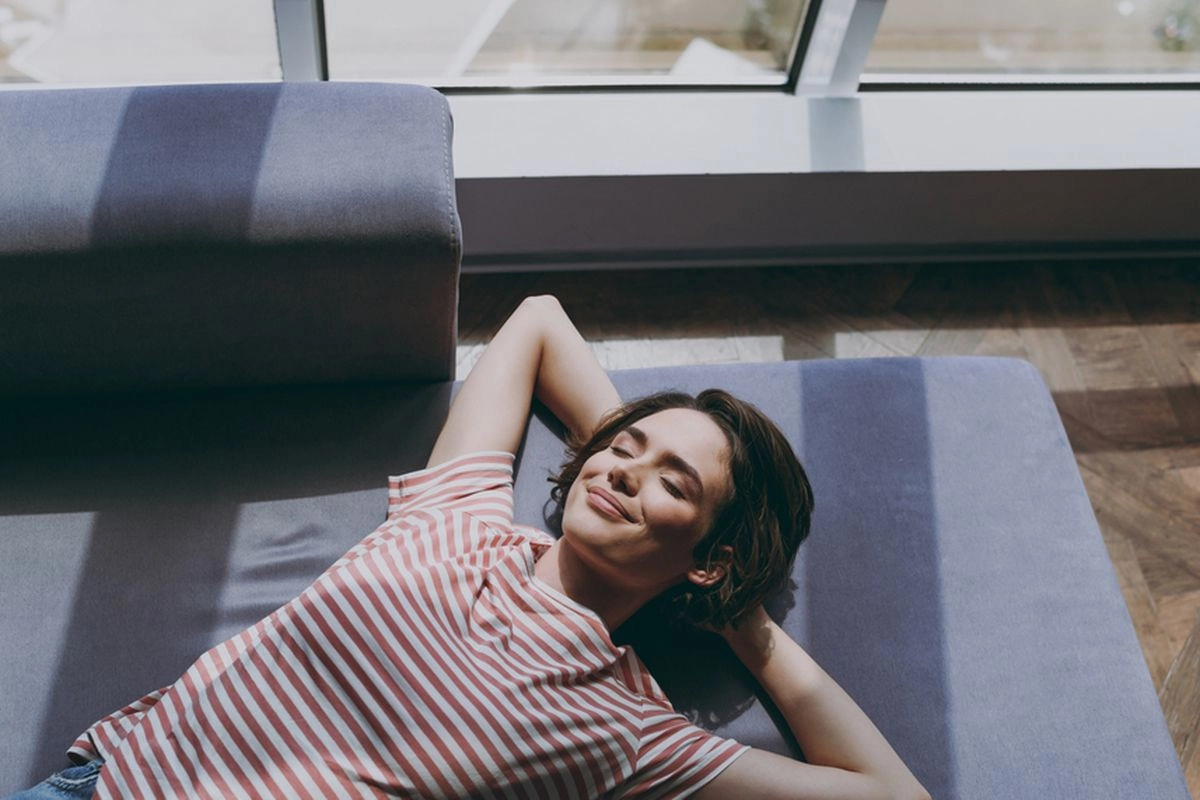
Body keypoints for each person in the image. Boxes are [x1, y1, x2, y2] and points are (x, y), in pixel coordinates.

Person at [11, 295, 929, 800]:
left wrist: (742, 619)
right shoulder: (461, 517)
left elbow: (892, 797)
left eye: (673, 483)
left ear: (710, 557)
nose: (622, 471)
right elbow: (538, 321)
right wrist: (644, 451)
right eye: (623, 446)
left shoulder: (623, 729)